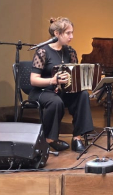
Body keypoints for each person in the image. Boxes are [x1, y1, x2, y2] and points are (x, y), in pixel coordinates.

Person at [29, 17, 94, 153]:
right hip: (43, 91)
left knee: (82, 95)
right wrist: (53, 80)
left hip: (62, 91)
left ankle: (77, 137)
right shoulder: (43, 51)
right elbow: (34, 80)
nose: (72, 36)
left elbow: (75, 74)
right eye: (68, 33)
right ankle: (49, 140)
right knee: (56, 102)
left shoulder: (70, 52)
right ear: (57, 34)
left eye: (72, 32)